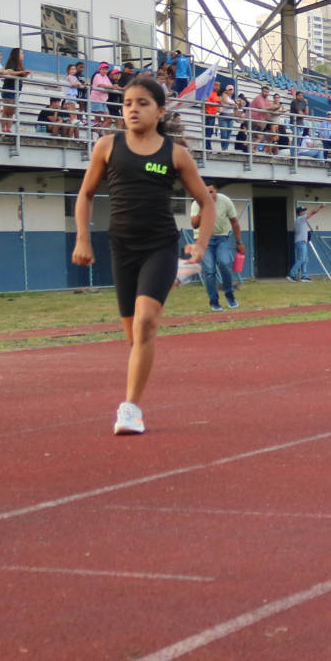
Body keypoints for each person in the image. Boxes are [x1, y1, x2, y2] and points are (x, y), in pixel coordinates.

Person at [73, 76, 214, 434]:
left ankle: (130, 408)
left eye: (142, 103)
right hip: (122, 247)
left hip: (159, 245)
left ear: (161, 110)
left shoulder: (175, 153)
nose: (133, 109)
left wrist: (201, 243)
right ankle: (177, 278)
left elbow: (206, 203)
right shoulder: (107, 146)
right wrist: (82, 239)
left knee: (146, 322)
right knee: (134, 338)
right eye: (127, 103)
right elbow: (86, 194)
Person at [189, 181, 245, 312]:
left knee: (225, 264)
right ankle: (214, 302)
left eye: (211, 192)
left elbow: (235, 223)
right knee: (209, 270)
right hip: (203, 239)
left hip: (222, 238)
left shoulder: (225, 201)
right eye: (205, 192)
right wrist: (203, 209)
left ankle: (230, 297)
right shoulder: (197, 203)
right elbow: (194, 225)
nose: (208, 194)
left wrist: (239, 242)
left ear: (216, 191)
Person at [289, 203, 324, 282]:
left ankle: (304, 276)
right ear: (300, 212)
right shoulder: (300, 219)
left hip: (302, 241)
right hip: (300, 242)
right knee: (301, 259)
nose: (305, 212)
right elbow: (312, 213)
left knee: (305, 259)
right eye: (303, 211)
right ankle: (291, 274)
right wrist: (320, 207)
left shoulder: (300, 220)